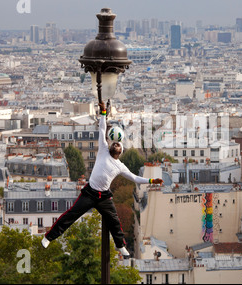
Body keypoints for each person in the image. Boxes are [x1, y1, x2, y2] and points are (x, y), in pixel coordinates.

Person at [41, 101, 163, 257]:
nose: (116, 145)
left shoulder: (120, 166)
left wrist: (152, 181)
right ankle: (49, 237)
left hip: (103, 196)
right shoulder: (103, 149)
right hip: (90, 192)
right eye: (115, 143)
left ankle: (120, 245)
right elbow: (102, 128)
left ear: (120, 152)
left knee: (114, 221)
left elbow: (136, 178)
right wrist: (103, 112)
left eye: (118, 145)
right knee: (71, 215)